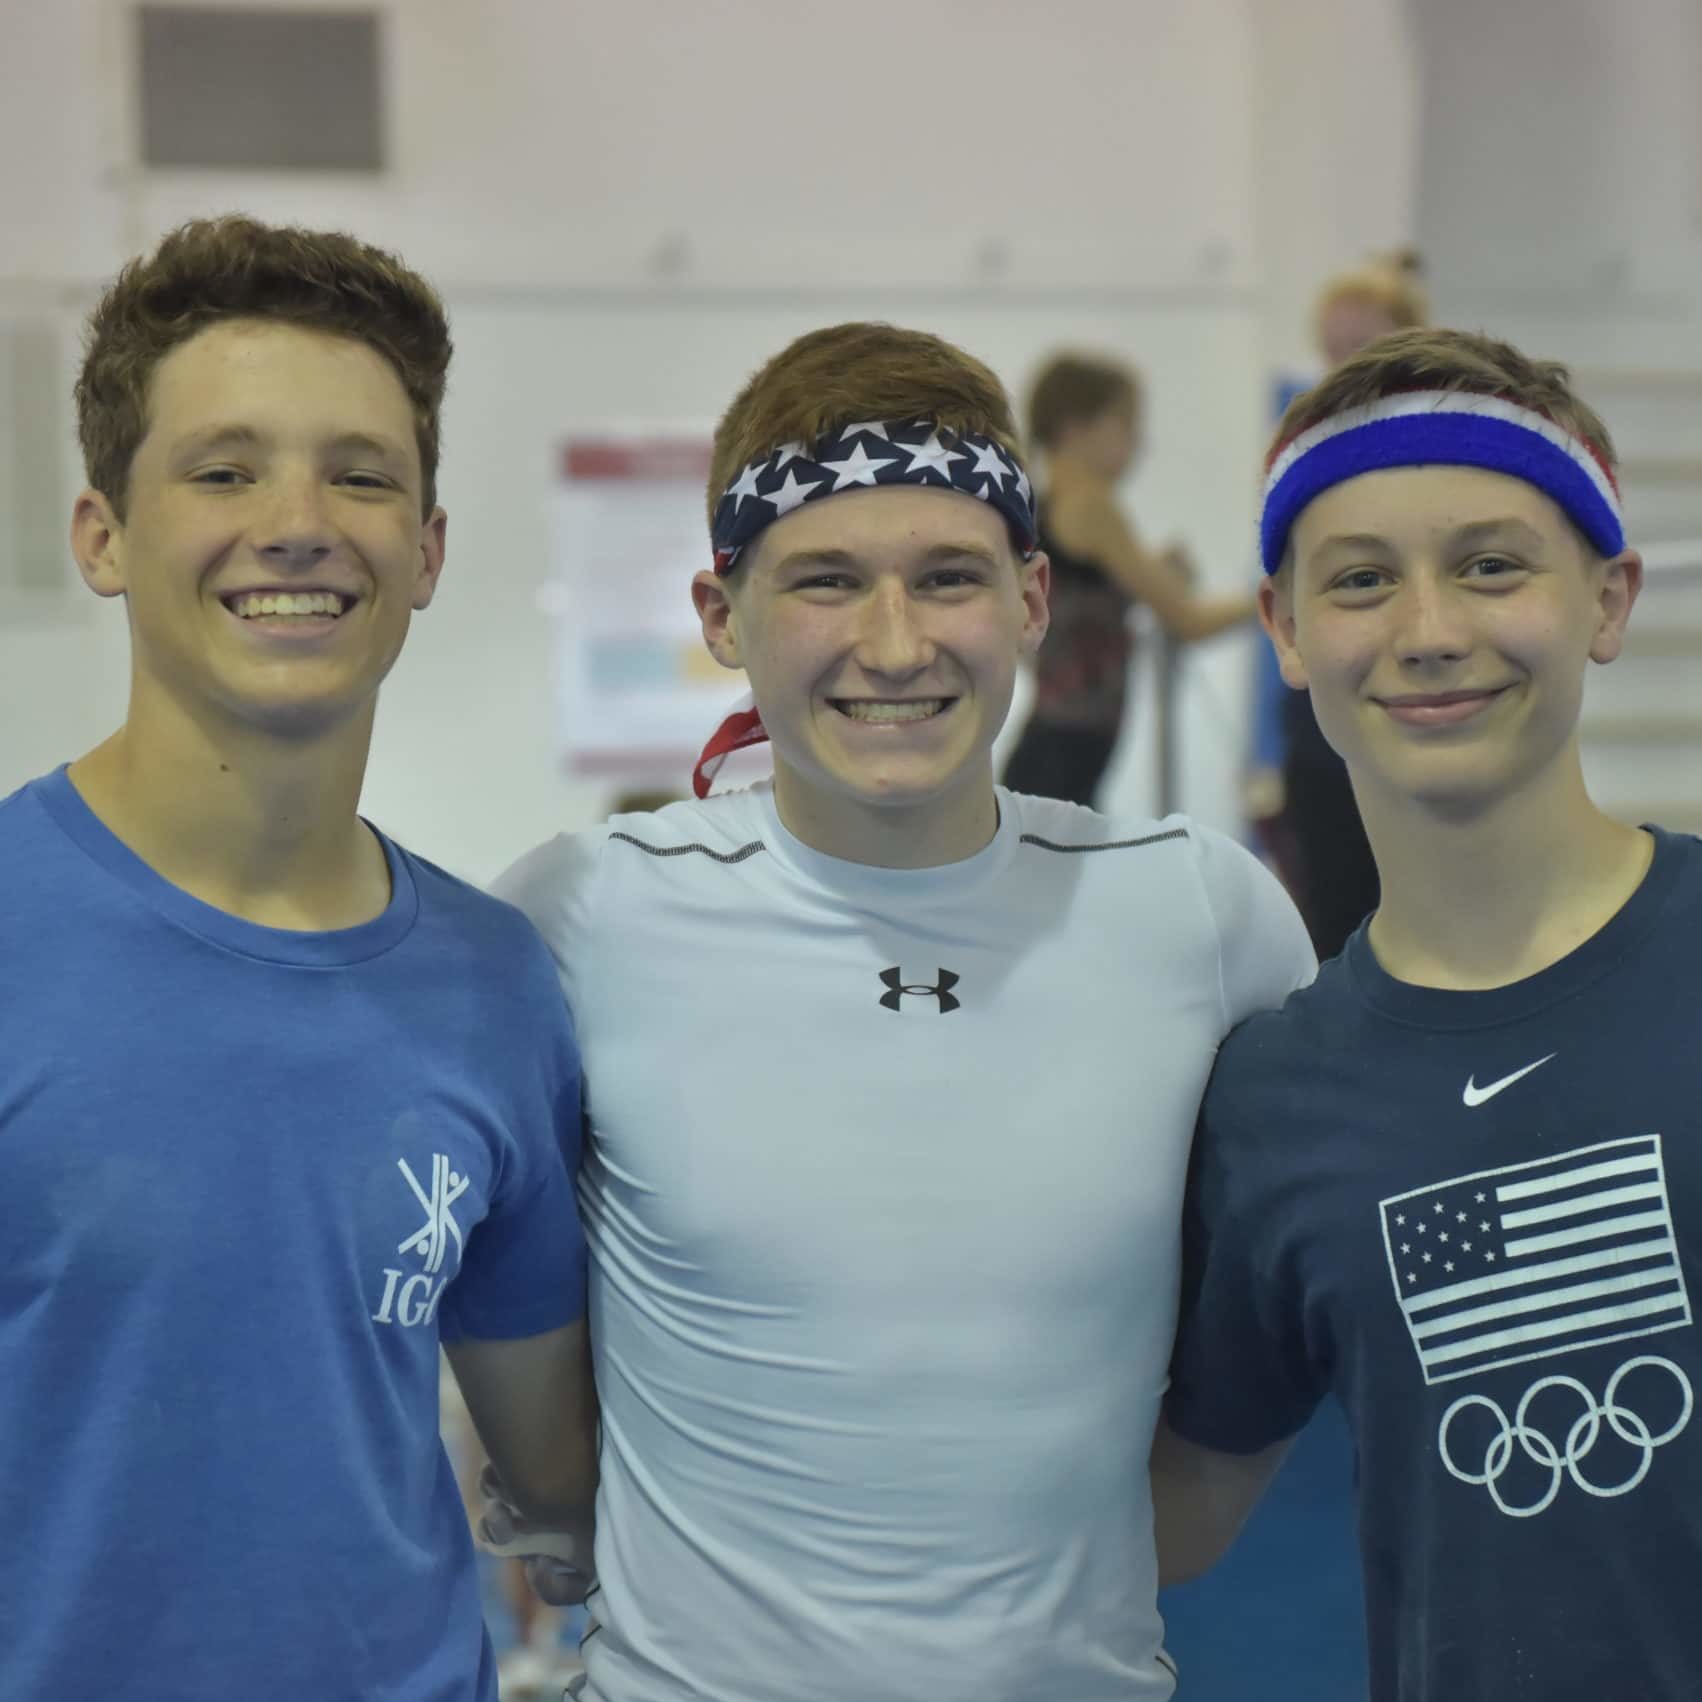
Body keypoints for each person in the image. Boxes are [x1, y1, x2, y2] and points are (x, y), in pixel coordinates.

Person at [484, 321, 1315, 1701]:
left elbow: (1304, 1265)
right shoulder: (579, 915)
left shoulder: (1200, 915)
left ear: (1031, 598)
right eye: (825, 580)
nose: (893, 643)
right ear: (720, 615)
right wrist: (551, 1505)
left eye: (948, 578)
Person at [0, 216, 597, 1701]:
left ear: (427, 550)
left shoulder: (496, 981)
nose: (298, 521)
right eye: (224, 471)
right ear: (102, 536)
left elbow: (561, 1476)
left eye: (361, 475)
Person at [1154, 329, 1701, 1701]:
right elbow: (1176, 1513)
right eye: (1359, 580)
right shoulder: (1276, 1093)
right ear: (1284, 629)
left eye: (1490, 564)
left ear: (1607, 597)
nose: (1429, 630)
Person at [1247, 253, 1429, 957]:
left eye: (1363, 344)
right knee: (1333, 902)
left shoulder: (1442, 444)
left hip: (1416, 693)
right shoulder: (1301, 447)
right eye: (1332, 347)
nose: (1343, 363)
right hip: (1325, 713)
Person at [1000, 352, 1252, 808]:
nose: (1139, 442)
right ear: (1075, 428)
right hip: (1063, 750)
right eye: (1126, 425)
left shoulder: (1045, 504)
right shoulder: (1092, 507)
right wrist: (1280, 594)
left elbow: (1083, 599)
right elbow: (1190, 621)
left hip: (1059, 741)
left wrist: (1153, 568)